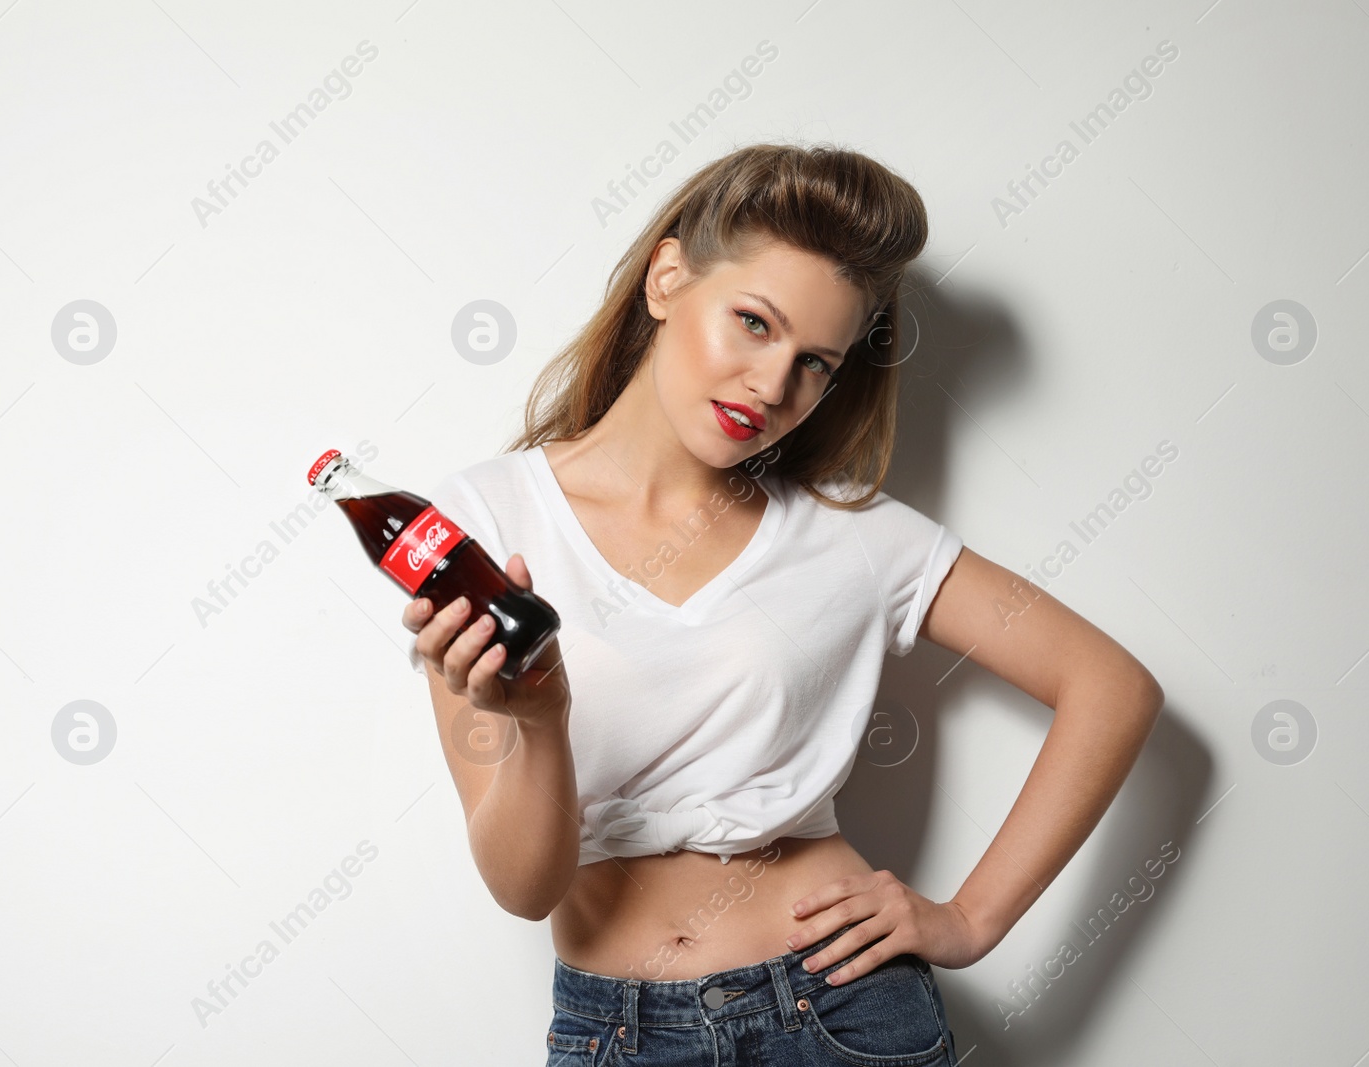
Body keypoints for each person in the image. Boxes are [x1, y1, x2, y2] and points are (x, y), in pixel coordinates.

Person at [404, 142, 1164, 1066]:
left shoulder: (853, 536)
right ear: (667, 277)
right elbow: (526, 888)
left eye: (817, 362)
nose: (773, 387)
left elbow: (1110, 686)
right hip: (620, 1032)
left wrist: (968, 919)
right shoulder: (482, 524)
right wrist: (539, 720)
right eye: (754, 323)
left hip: (844, 1015)